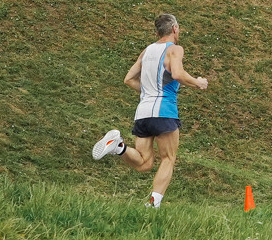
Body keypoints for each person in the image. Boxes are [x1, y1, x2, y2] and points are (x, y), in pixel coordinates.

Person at [89, 12, 210, 208]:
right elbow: (177, 74)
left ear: (157, 32)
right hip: (164, 111)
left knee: (144, 163)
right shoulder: (175, 49)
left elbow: (128, 79)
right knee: (168, 158)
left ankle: (118, 147)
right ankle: (154, 204)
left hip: (143, 112)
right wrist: (198, 82)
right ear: (175, 29)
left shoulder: (146, 51)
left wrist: (148, 91)